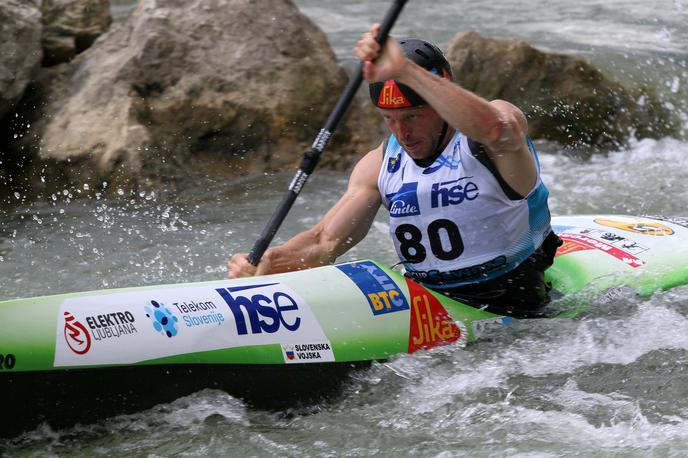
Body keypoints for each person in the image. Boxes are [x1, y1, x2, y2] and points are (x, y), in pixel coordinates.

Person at [228, 24, 561, 318]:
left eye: (413, 116)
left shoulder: (490, 135)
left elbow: (494, 127)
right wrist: (269, 266)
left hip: (515, 300)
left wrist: (406, 72)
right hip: (430, 301)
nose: (403, 133)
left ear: (440, 100)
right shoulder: (379, 164)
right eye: (390, 119)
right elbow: (323, 242)